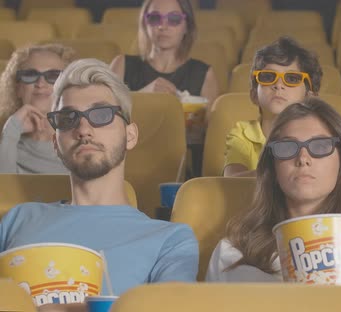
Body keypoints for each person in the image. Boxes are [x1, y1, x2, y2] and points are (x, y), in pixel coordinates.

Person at [0, 59, 199, 311]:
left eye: (102, 115)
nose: (84, 129)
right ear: (55, 144)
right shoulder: (18, 219)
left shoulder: (171, 240)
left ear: (130, 135)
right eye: (67, 117)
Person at [208, 98, 341, 284]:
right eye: (287, 147)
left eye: (321, 146)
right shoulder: (230, 254)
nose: (303, 158)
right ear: (273, 167)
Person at [223, 36, 322, 177]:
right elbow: (233, 180)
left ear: (309, 96)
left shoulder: (319, 135)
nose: (278, 85)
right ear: (254, 95)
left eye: (292, 79)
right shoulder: (242, 134)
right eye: (268, 77)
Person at [110, 0, 218, 108]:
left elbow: (207, 123)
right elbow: (104, 116)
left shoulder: (204, 74)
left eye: (174, 19)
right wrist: (142, 95)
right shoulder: (121, 65)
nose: (163, 26)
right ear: (145, 24)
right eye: (155, 18)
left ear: (187, 26)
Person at [0, 43, 75, 174]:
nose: (40, 84)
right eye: (30, 75)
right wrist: (10, 133)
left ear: (67, 87)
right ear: (17, 88)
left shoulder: (83, 141)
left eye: (53, 76)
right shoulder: (7, 140)